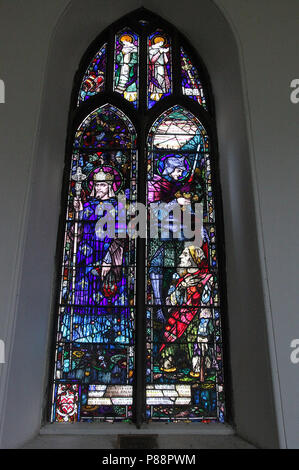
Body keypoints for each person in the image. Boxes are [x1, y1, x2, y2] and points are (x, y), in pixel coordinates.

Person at [73, 168, 126, 306]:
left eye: (103, 185)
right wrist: (78, 213)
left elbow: (121, 235)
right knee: (84, 296)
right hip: (85, 256)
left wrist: (108, 259)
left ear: (109, 186)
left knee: (108, 293)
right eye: (97, 185)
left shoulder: (118, 206)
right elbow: (75, 234)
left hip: (108, 254)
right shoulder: (87, 205)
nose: (99, 188)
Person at [159, 245, 214, 377]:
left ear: (193, 259)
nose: (180, 257)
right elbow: (169, 303)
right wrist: (181, 287)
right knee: (166, 362)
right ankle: (178, 358)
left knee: (196, 361)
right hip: (179, 319)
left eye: (184, 255)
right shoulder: (178, 277)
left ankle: (199, 359)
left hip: (197, 321)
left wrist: (203, 331)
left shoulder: (206, 279)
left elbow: (206, 306)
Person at [115, 34, 138, 103]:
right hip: (122, 67)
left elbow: (135, 59)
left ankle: (130, 94)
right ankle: (118, 91)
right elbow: (118, 60)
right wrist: (120, 53)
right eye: (123, 41)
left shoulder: (135, 49)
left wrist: (129, 64)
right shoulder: (122, 49)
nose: (124, 42)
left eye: (125, 41)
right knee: (119, 78)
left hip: (130, 68)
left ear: (129, 41)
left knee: (130, 79)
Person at [148, 35, 171, 101]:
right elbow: (152, 60)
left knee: (163, 81)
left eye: (162, 43)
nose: (161, 44)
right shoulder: (151, 50)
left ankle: (162, 94)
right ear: (156, 42)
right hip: (155, 68)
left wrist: (164, 53)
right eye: (160, 42)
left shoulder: (161, 49)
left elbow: (166, 61)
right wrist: (159, 52)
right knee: (157, 80)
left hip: (163, 68)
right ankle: (155, 95)